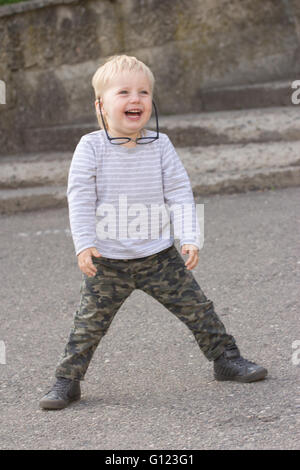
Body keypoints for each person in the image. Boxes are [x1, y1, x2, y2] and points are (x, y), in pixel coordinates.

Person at [40, 55, 267, 410]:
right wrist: (83, 244)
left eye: (144, 92)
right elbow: (79, 198)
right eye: (124, 92)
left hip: (159, 256)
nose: (136, 99)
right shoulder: (91, 147)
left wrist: (190, 236)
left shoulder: (160, 145)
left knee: (198, 309)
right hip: (108, 262)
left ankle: (226, 359)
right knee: (87, 327)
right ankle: (67, 381)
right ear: (100, 105)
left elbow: (178, 191)